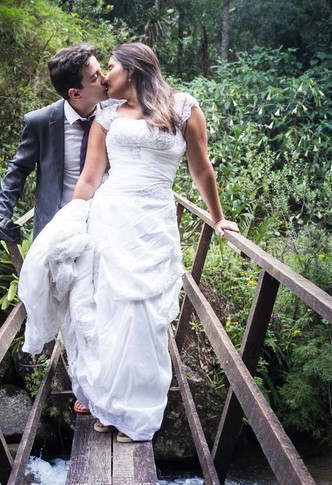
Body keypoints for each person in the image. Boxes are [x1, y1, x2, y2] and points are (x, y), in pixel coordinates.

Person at [19, 42, 238, 443]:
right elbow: (89, 176)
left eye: (112, 69)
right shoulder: (106, 114)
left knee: (144, 316)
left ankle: (137, 415)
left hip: (152, 221)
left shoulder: (183, 108)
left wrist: (219, 218)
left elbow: (201, 168)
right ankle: (109, 404)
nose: (104, 78)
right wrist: (70, 221)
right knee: (109, 314)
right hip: (110, 218)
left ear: (134, 70)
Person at [0, 44, 108, 243]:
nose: (105, 78)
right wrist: (1, 211)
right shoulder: (41, 122)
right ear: (75, 93)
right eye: (95, 77)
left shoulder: (118, 113)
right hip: (57, 227)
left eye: (101, 70)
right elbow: (19, 169)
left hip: (106, 223)